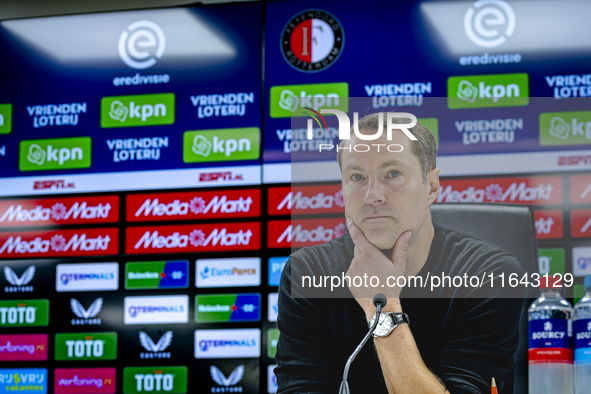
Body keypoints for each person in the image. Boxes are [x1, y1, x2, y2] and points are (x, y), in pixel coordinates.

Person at [275, 112, 525, 394]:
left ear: (431, 186)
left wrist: (382, 306)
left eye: (392, 174)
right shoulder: (308, 272)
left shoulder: (489, 274)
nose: (373, 195)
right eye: (357, 177)